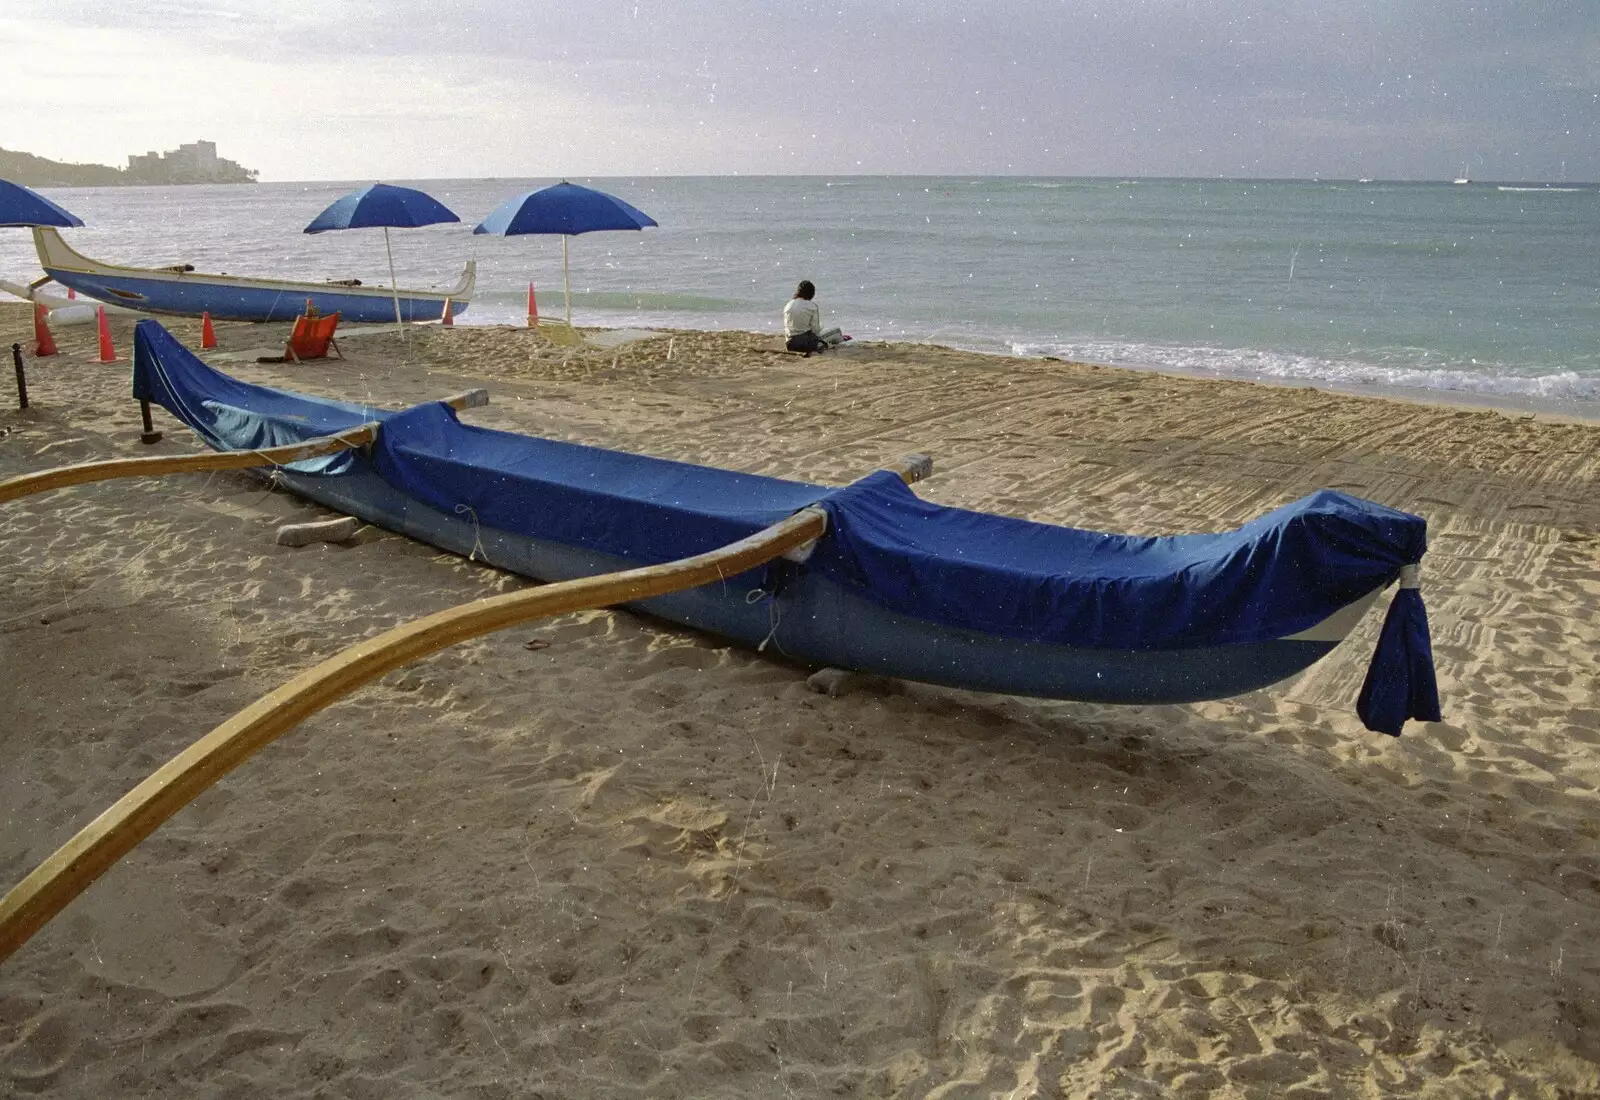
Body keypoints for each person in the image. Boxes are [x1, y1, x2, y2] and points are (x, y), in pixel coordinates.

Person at [783, 280, 844, 355]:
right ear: (811, 293)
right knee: (836, 331)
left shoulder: (788, 305)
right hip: (805, 344)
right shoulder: (812, 306)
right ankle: (842, 344)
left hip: (790, 344)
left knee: (820, 326)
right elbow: (816, 331)